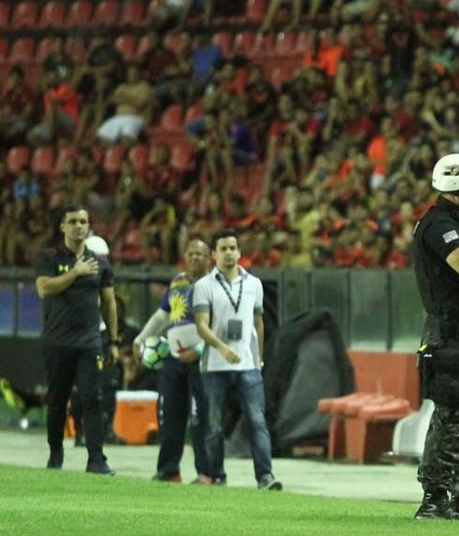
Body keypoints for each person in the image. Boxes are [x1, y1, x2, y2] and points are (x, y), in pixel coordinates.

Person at [410, 153, 459, 520]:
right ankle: (434, 496)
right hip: (446, 332)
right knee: (453, 413)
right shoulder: (438, 224)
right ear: (456, 187)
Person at [193, 229, 282, 490]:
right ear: (214, 254)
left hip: (248, 365)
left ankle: (265, 476)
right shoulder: (203, 286)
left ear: (240, 252)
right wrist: (221, 347)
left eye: (233, 248)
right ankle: (218, 475)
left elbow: (259, 322)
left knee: (257, 421)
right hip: (214, 365)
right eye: (223, 249)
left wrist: (259, 357)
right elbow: (201, 325)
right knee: (215, 425)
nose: (229, 253)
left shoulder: (254, 284)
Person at [34, 204, 119, 474]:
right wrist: (75, 273)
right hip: (57, 341)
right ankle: (55, 454)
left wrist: (114, 341)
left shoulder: (100, 262)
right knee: (58, 400)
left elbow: (109, 303)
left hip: (89, 342)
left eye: (83, 221)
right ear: (63, 227)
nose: (79, 226)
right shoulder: (49, 257)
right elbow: (44, 289)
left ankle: (96, 458)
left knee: (92, 398)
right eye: (73, 221)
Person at [134, 239, 212, 484]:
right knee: (169, 414)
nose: (195, 258)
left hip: (203, 360)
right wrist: (141, 339)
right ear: (185, 257)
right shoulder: (178, 281)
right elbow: (162, 316)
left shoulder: (215, 285)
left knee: (201, 417)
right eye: (191, 254)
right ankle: (169, 470)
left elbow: (221, 324)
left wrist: (199, 349)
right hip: (174, 357)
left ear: (209, 258)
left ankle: (207, 473)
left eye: (200, 254)